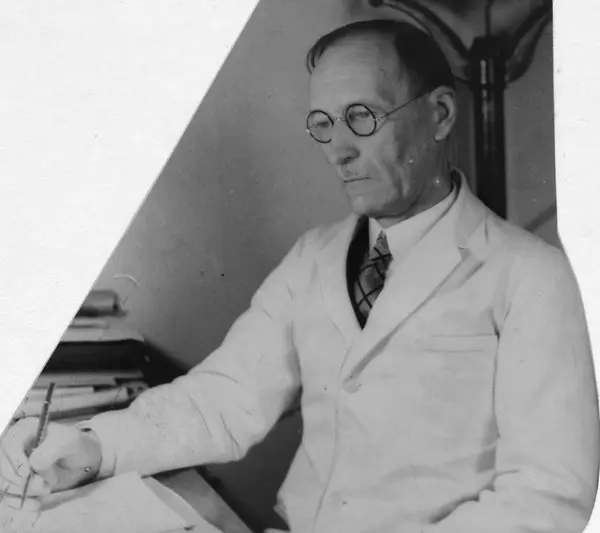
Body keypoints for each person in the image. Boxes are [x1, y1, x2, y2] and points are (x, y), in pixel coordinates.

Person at [1, 18, 599, 533]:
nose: (337, 150)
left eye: (361, 117)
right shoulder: (315, 256)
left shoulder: (530, 276)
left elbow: (547, 497)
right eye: (323, 124)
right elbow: (225, 398)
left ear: (439, 114)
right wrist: (92, 447)